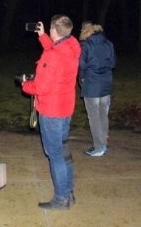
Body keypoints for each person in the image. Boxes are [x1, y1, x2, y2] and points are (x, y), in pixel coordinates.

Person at [21, 14, 81, 211]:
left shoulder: (52, 56)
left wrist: (25, 84)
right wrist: (43, 36)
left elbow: (40, 87)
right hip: (65, 108)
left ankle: (61, 198)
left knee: (54, 154)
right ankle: (68, 191)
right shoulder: (72, 46)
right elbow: (57, 51)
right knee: (63, 151)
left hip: (51, 110)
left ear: (55, 30)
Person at [78, 21, 116, 157]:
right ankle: (103, 143)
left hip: (92, 85)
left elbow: (81, 65)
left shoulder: (85, 45)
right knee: (103, 115)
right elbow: (113, 63)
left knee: (94, 117)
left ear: (84, 30)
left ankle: (99, 147)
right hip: (106, 84)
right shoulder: (108, 43)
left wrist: (82, 79)